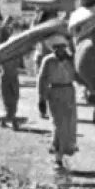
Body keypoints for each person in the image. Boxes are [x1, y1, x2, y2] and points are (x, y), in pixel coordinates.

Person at [36, 38, 79, 169]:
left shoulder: (72, 60)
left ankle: (65, 150)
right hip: (54, 92)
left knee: (70, 123)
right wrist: (41, 99)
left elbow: (79, 75)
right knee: (58, 124)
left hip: (69, 92)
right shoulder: (48, 61)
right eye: (57, 47)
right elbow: (41, 79)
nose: (60, 49)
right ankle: (58, 156)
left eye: (62, 46)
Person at [0, 48, 23, 130]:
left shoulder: (16, 55)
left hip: (14, 79)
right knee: (7, 101)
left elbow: (19, 65)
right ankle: (14, 122)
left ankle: (4, 120)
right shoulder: (1, 54)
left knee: (14, 100)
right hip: (5, 80)